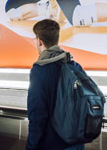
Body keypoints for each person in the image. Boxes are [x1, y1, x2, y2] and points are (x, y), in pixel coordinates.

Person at [27, 19, 84, 150]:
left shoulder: (39, 70)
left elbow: (37, 116)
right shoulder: (74, 66)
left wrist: (31, 146)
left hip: (52, 144)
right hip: (76, 143)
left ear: (39, 41)